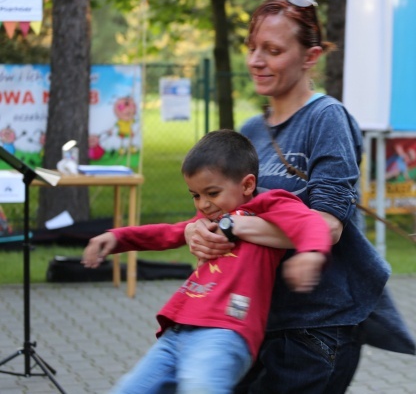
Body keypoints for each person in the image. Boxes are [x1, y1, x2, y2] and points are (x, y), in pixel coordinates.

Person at [85, 0, 415, 394]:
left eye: (273, 50)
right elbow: (226, 211)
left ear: (310, 57)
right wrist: (196, 231)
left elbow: (326, 228)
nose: (257, 60)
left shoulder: (326, 117)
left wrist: (228, 227)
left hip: (316, 323)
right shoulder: (252, 131)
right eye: (252, 48)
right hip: (251, 319)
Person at [82, 129, 332, 394]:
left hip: (225, 331)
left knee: (200, 388)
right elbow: (167, 233)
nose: (203, 204)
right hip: (177, 331)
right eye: (195, 195)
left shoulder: (269, 204)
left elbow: (311, 222)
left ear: (247, 185)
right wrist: (117, 238)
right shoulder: (209, 222)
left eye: (211, 193)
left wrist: (311, 253)